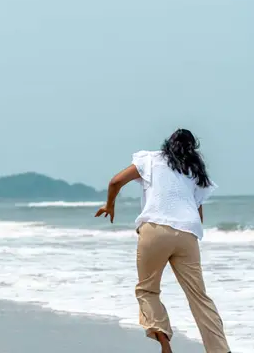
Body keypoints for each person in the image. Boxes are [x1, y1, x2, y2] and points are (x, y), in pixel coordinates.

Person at [95, 129, 231, 353]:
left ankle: (165, 344)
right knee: (199, 297)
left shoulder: (150, 159)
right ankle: (220, 350)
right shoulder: (194, 172)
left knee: (147, 290)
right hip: (187, 234)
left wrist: (109, 204)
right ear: (192, 148)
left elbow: (115, 181)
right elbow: (199, 216)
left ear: (168, 143)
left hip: (156, 230)